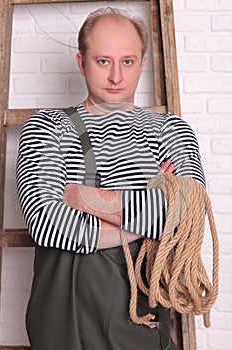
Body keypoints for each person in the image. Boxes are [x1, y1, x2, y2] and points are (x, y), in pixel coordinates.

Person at [16, 7, 206, 350]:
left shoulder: (171, 131)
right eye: (104, 61)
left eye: (128, 62)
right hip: (64, 326)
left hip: (144, 322)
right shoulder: (48, 128)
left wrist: (81, 197)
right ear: (82, 63)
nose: (116, 76)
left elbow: (187, 216)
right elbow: (43, 222)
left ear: (142, 64)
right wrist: (151, 213)